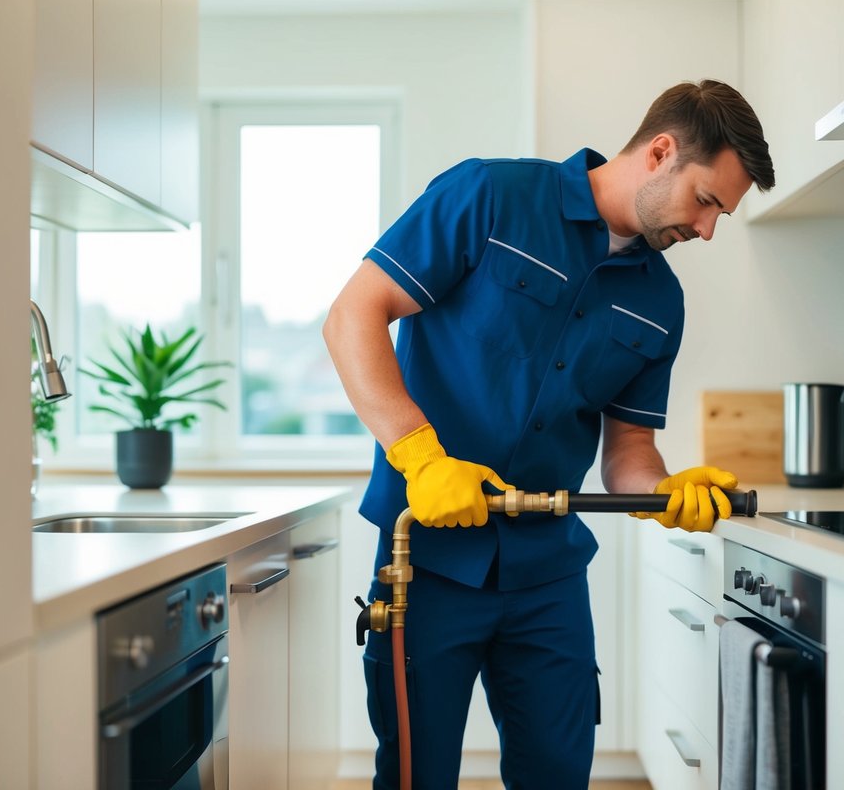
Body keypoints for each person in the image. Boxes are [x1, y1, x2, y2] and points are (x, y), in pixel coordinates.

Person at [323, 79, 775, 789]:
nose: (708, 229)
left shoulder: (661, 301)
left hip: (547, 577)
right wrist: (419, 456)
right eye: (707, 201)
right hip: (426, 559)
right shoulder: (489, 197)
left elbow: (627, 455)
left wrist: (663, 493)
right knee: (415, 774)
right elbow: (353, 315)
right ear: (661, 152)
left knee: (557, 775)